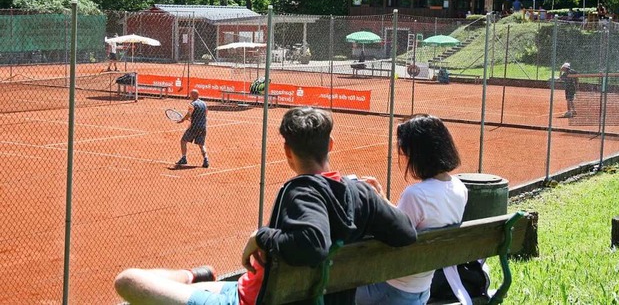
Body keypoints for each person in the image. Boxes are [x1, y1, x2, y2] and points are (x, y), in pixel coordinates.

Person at [115, 107, 417, 305]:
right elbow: (406, 233)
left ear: (287, 150)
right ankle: (197, 277)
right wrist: (374, 198)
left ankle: (194, 276)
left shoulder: (304, 191)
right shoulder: (359, 192)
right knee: (205, 286)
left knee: (127, 281)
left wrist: (260, 236)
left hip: (259, 299)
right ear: (331, 144)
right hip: (273, 290)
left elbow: (311, 244)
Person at [356, 114, 468, 305]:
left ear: (419, 154)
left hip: (391, 290)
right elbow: (408, 222)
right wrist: (382, 198)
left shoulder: (415, 194)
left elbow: (394, 233)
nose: (405, 157)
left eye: (405, 152)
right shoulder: (460, 188)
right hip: (423, 288)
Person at [176, 89, 210, 168]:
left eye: (191, 94)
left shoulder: (192, 104)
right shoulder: (204, 103)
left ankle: (184, 158)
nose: (190, 96)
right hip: (203, 126)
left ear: (193, 95)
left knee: (183, 141)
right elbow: (205, 114)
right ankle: (206, 159)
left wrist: (182, 120)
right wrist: (194, 119)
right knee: (201, 145)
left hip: (194, 127)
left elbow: (189, 114)